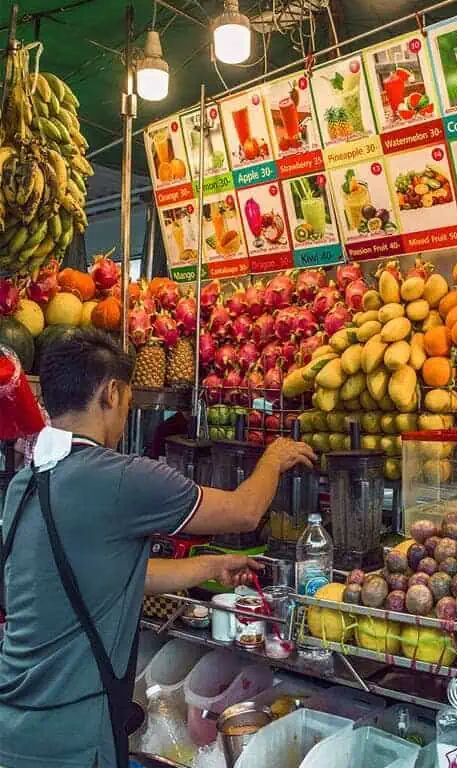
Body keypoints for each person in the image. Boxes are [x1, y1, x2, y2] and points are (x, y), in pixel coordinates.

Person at [0, 329, 316, 768]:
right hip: (72, 737)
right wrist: (273, 458)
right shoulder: (122, 478)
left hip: (13, 726)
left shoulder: (26, 482)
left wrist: (206, 566)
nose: (127, 412)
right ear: (111, 392)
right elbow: (244, 512)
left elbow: (99, 575)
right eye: (127, 400)